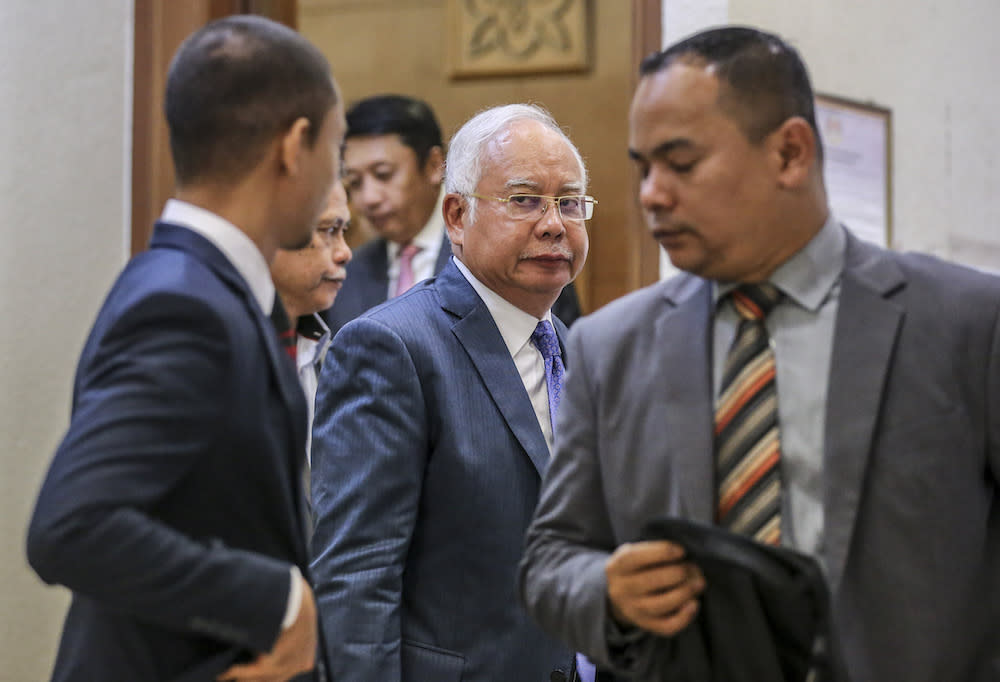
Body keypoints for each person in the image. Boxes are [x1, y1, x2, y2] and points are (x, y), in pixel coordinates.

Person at [519, 25, 1000, 682]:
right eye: (644, 166)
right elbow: (549, 560)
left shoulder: (967, 326)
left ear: (789, 154)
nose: (651, 194)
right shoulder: (610, 347)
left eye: (681, 164)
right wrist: (607, 589)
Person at [26, 15, 343, 682]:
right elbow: (72, 526)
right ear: (295, 146)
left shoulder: (208, 288)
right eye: (334, 149)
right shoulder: (186, 305)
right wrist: (280, 601)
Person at [310, 103, 593, 681]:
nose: (553, 223)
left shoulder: (574, 347)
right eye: (524, 200)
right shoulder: (390, 348)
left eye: (569, 203)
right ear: (457, 216)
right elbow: (357, 579)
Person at [324, 94, 583, 336]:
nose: (369, 198)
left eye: (383, 175)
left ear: (435, 165)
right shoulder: (345, 274)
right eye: (355, 182)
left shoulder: (521, 255)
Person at [270, 181, 352, 465]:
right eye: (329, 230)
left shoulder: (332, 353)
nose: (345, 253)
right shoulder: (232, 347)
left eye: (344, 232)